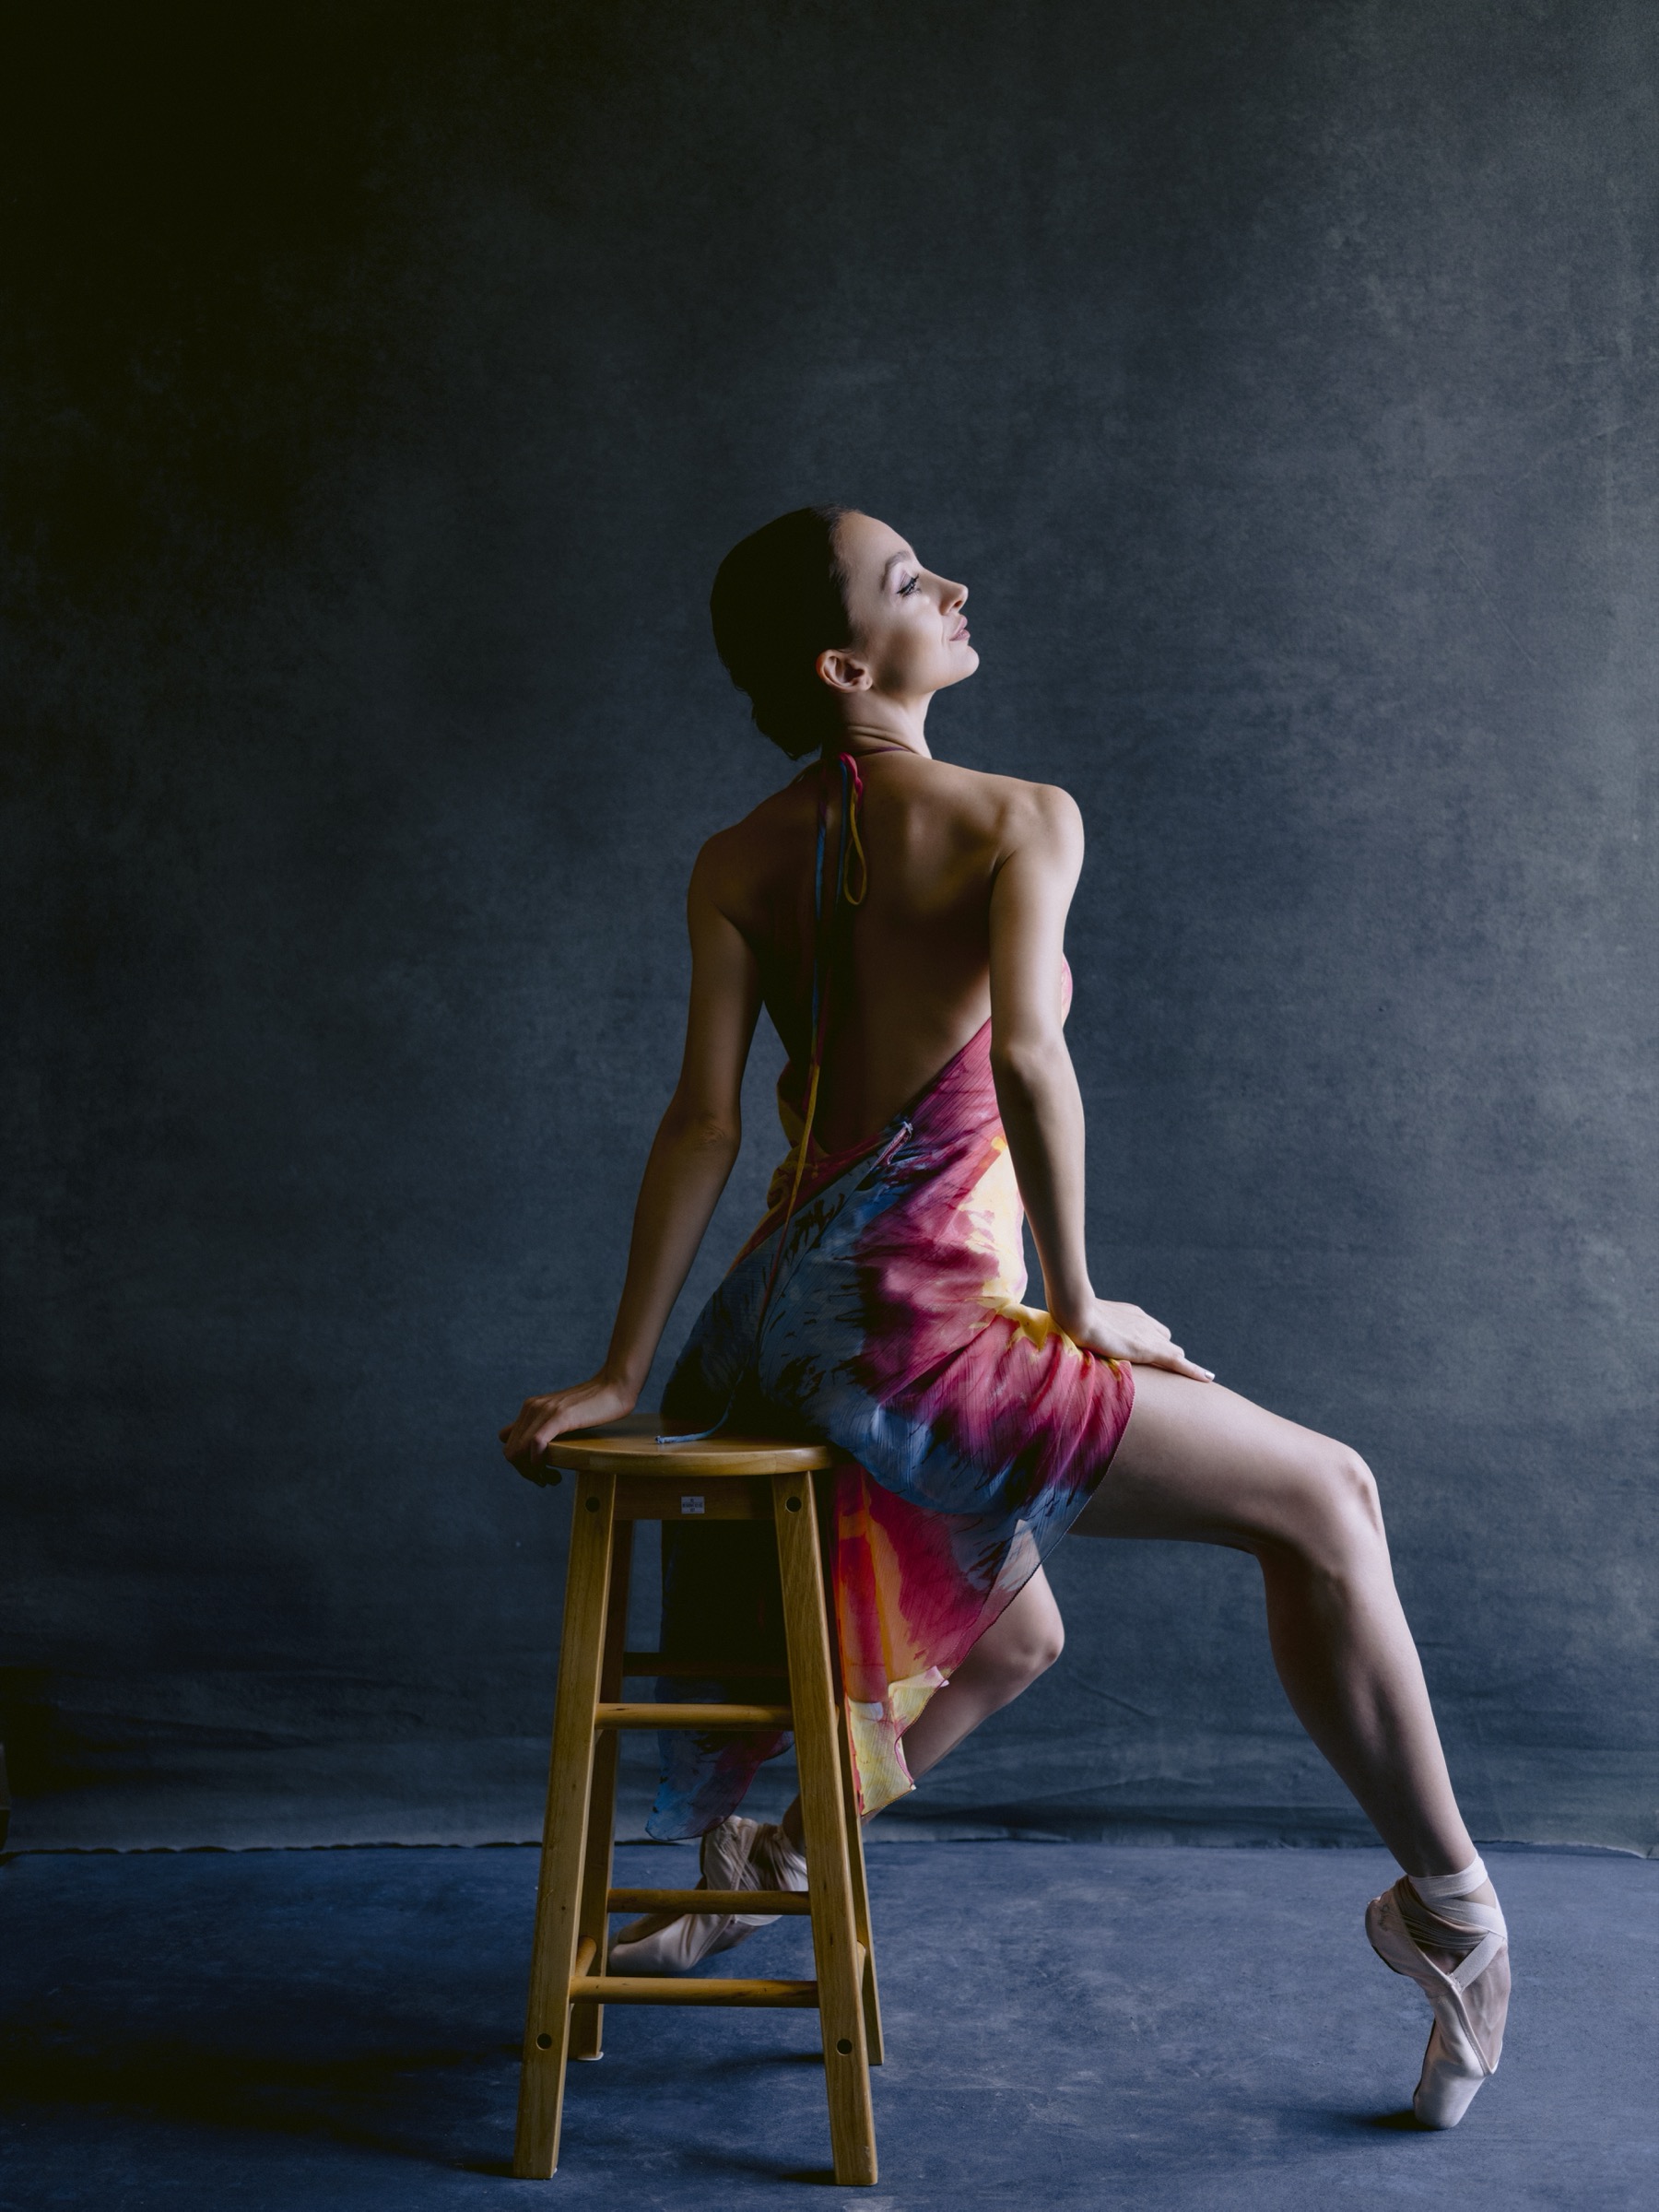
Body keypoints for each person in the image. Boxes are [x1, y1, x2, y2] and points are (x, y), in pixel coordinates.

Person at [500, 506, 1511, 2129]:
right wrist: (1085, 1301)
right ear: (845, 668)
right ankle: (1455, 1917)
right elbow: (1030, 1058)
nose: (953, 588)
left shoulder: (733, 859)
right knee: (1332, 1498)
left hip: (777, 1339)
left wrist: (632, 1368)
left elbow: (703, 1123)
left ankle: (773, 1856)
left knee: (1020, 1638)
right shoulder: (1020, 816)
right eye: (910, 582)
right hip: (914, 1340)